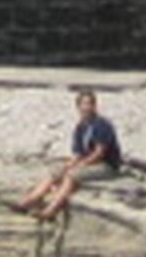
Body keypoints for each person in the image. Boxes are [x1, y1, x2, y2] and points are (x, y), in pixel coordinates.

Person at [15, 89, 121, 219]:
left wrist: (81, 165)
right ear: (78, 107)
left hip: (106, 165)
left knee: (72, 175)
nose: (86, 107)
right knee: (56, 172)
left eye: (89, 104)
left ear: (94, 106)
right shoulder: (81, 127)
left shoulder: (102, 125)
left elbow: (99, 152)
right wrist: (68, 165)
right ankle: (30, 200)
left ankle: (51, 210)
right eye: (83, 104)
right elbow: (78, 154)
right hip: (89, 162)